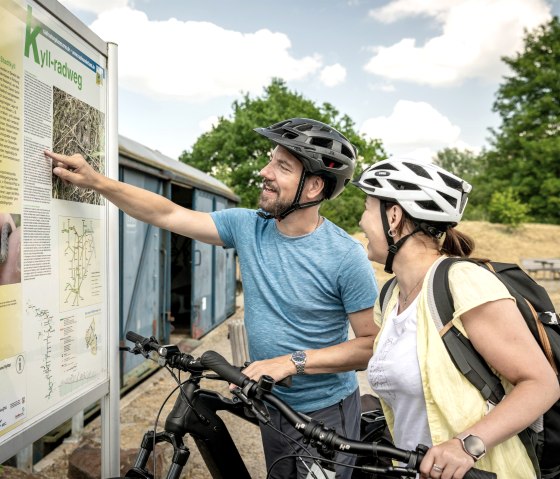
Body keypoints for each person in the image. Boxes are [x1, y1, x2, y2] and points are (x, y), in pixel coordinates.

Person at [46, 117, 379, 479]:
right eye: (270, 159)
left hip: (322, 411)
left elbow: (369, 346)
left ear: (314, 186)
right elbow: (167, 212)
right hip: (272, 404)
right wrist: (95, 181)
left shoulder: (345, 256)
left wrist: (291, 362)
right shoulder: (249, 227)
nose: (265, 172)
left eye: (282, 166)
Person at [352, 157, 559, 479]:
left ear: (393, 216)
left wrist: (466, 445)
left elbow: (541, 384)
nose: (361, 221)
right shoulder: (392, 294)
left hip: (487, 471)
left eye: (366, 207)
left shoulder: (461, 281)